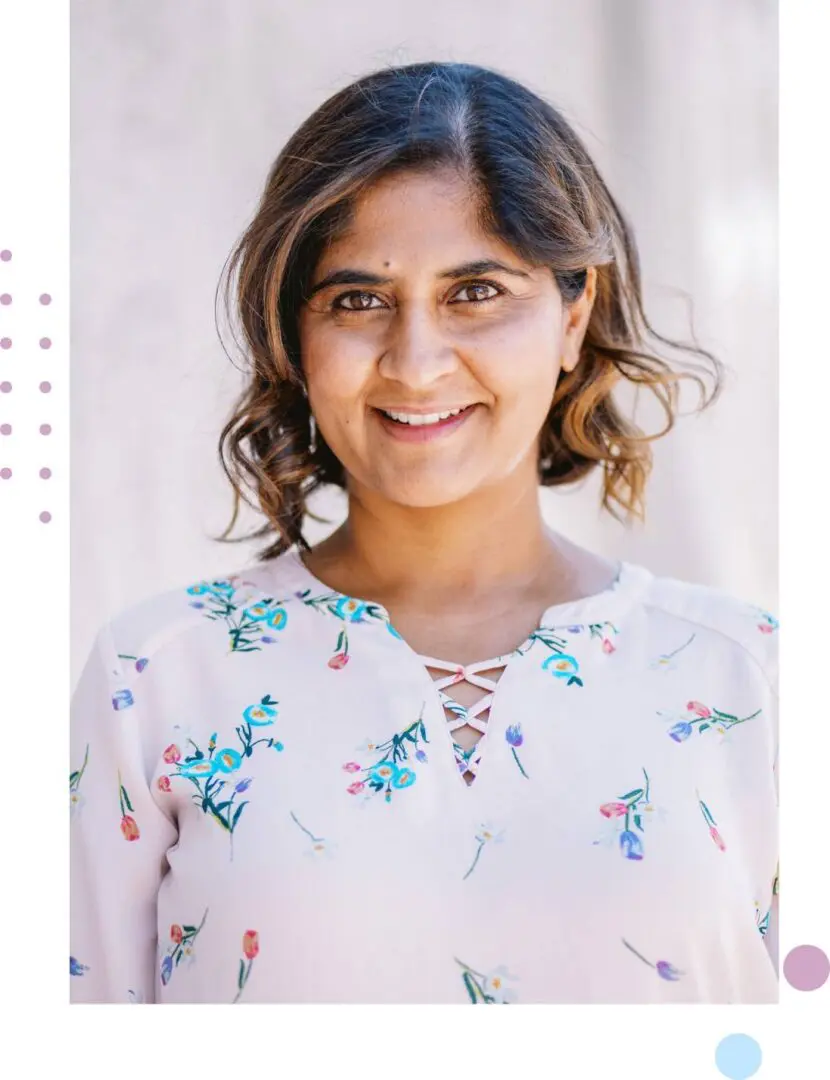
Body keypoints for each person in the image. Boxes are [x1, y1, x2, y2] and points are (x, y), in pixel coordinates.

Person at [70, 61, 778, 1005]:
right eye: (358, 300)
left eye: (475, 291)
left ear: (575, 316)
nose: (414, 362)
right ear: (294, 336)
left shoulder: (749, 680)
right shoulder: (156, 681)